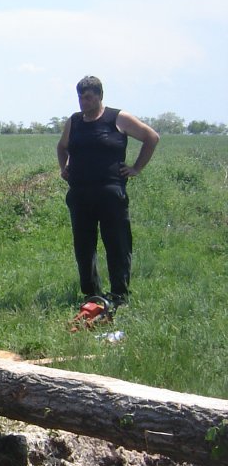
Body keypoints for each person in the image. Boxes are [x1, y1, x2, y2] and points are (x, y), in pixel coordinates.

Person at [56, 75, 160, 308]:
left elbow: (151, 137)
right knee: (84, 246)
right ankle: (91, 294)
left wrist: (136, 168)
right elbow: (62, 147)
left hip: (111, 193)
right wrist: (64, 168)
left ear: (100, 96)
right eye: (81, 98)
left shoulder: (118, 118)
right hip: (80, 194)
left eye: (90, 97)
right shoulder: (74, 121)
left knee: (117, 244)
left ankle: (119, 295)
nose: (85, 103)